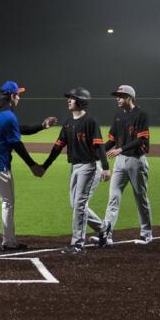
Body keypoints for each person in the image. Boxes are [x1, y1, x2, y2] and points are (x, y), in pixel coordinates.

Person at [0, 81, 58, 251]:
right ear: (12, 96)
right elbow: (16, 143)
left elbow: (19, 129)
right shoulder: (9, 116)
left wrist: (42, 126)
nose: (19, 97)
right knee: (7, 202)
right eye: (18, 94)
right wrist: (33, 165)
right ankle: (9, 242)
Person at [39, 88, 111, 255]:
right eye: (69, 98)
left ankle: (78, 243)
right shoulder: (68, 123)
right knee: (76, 204)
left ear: (81, 101)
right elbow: (58, 147)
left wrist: (106, 168)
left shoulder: (90, 121)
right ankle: (103, 228)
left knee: (79, 204)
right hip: (75, 167)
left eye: (72, 98)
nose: (69, 100)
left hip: (89, 167)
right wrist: (45, 166)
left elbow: (99, 145)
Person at [98, 85, 153, 245]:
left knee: (140, 197)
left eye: (121, 96)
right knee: (113, 197)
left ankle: (146, 233)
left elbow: (141, 139)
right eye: (117, 96)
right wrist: (97, 154)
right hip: (120, 162)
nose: (118, 98)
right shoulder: (118, 116)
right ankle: (107, 234)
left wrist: (120, 149)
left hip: (137, 161)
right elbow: (112, 141)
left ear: (130, 98)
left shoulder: (141, 114)